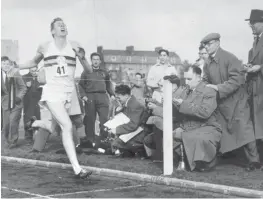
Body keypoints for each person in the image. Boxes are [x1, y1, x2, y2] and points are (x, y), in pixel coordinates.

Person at [18, 18, 93, 178]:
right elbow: (33, 61)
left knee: (53, 128)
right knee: (67, 125)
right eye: (59, 25)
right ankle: (78, 169)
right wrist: (16, 66)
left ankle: (34, 123)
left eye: (65, 25)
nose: (63, 26)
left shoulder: (75, 45)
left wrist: (83, 58)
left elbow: (89, 70)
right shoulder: (45, 46)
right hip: (52, 92)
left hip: (68, 94)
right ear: (52, 31)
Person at [201, 33, 261, 171]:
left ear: (217, 43)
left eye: (209, 44)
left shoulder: (230, 58)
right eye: (205, 45)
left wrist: (218, 87)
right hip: (222, 102)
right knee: (221, 130)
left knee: (245, 129)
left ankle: (255, 161)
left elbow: (237, 80)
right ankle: (218, 157)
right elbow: (205, 79)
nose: (206, 47)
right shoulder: (208, 63)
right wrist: (203, 87)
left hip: (237, 101)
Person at [78, 52, 115, 145]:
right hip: (90, 97)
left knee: (104, 119)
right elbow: (81, 85)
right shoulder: (86, 72)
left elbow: (108, 84)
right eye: (94, 59)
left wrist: (112, 94)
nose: (95, 61)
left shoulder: (104, 72)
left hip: (102, 96)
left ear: (100, 61)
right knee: (90, 119)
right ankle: (90, 140)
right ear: (91, 60)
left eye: (97, 59)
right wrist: (84, 96)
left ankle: (104, 140)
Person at [244, 9, 263, 171]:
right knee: (256, 125)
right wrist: (250, 66)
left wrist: (260, 67)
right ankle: (256, 161)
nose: (251, 26)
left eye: (253, 23)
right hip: (255, 90)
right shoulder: (255, 41)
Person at [109, 85, 146, 157]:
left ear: (126, 95)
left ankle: (138, 149)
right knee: (113, 144)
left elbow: (133, 125)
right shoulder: (129, 102)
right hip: (133, 129)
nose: (118, 99)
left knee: (115, 144)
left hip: (140, 131)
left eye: (119, 97)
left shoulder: (134, 104)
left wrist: (116, 130)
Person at [1, 56, 27, 148]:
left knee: (13, 122)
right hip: (5, 104)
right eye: (3, 64)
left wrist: (19, 97)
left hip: (16, 104)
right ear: (0, 65)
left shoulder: (15, 73)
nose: (6, 66)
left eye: (7, 64)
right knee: (6, 124)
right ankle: (5, 141)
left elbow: (23, 87)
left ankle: (13, 142)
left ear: (10, 65)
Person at [22, 66, 42, 140]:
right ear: (29, 70)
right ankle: (28, 137)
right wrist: (26, 86)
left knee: (38, 118)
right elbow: (20, 89)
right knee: (28, 118)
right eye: (32, 71)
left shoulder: (40, 77)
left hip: (38, 101)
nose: (34, 72)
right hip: (28, 101)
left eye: (35, 71)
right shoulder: (24, 77)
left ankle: (38, 137)